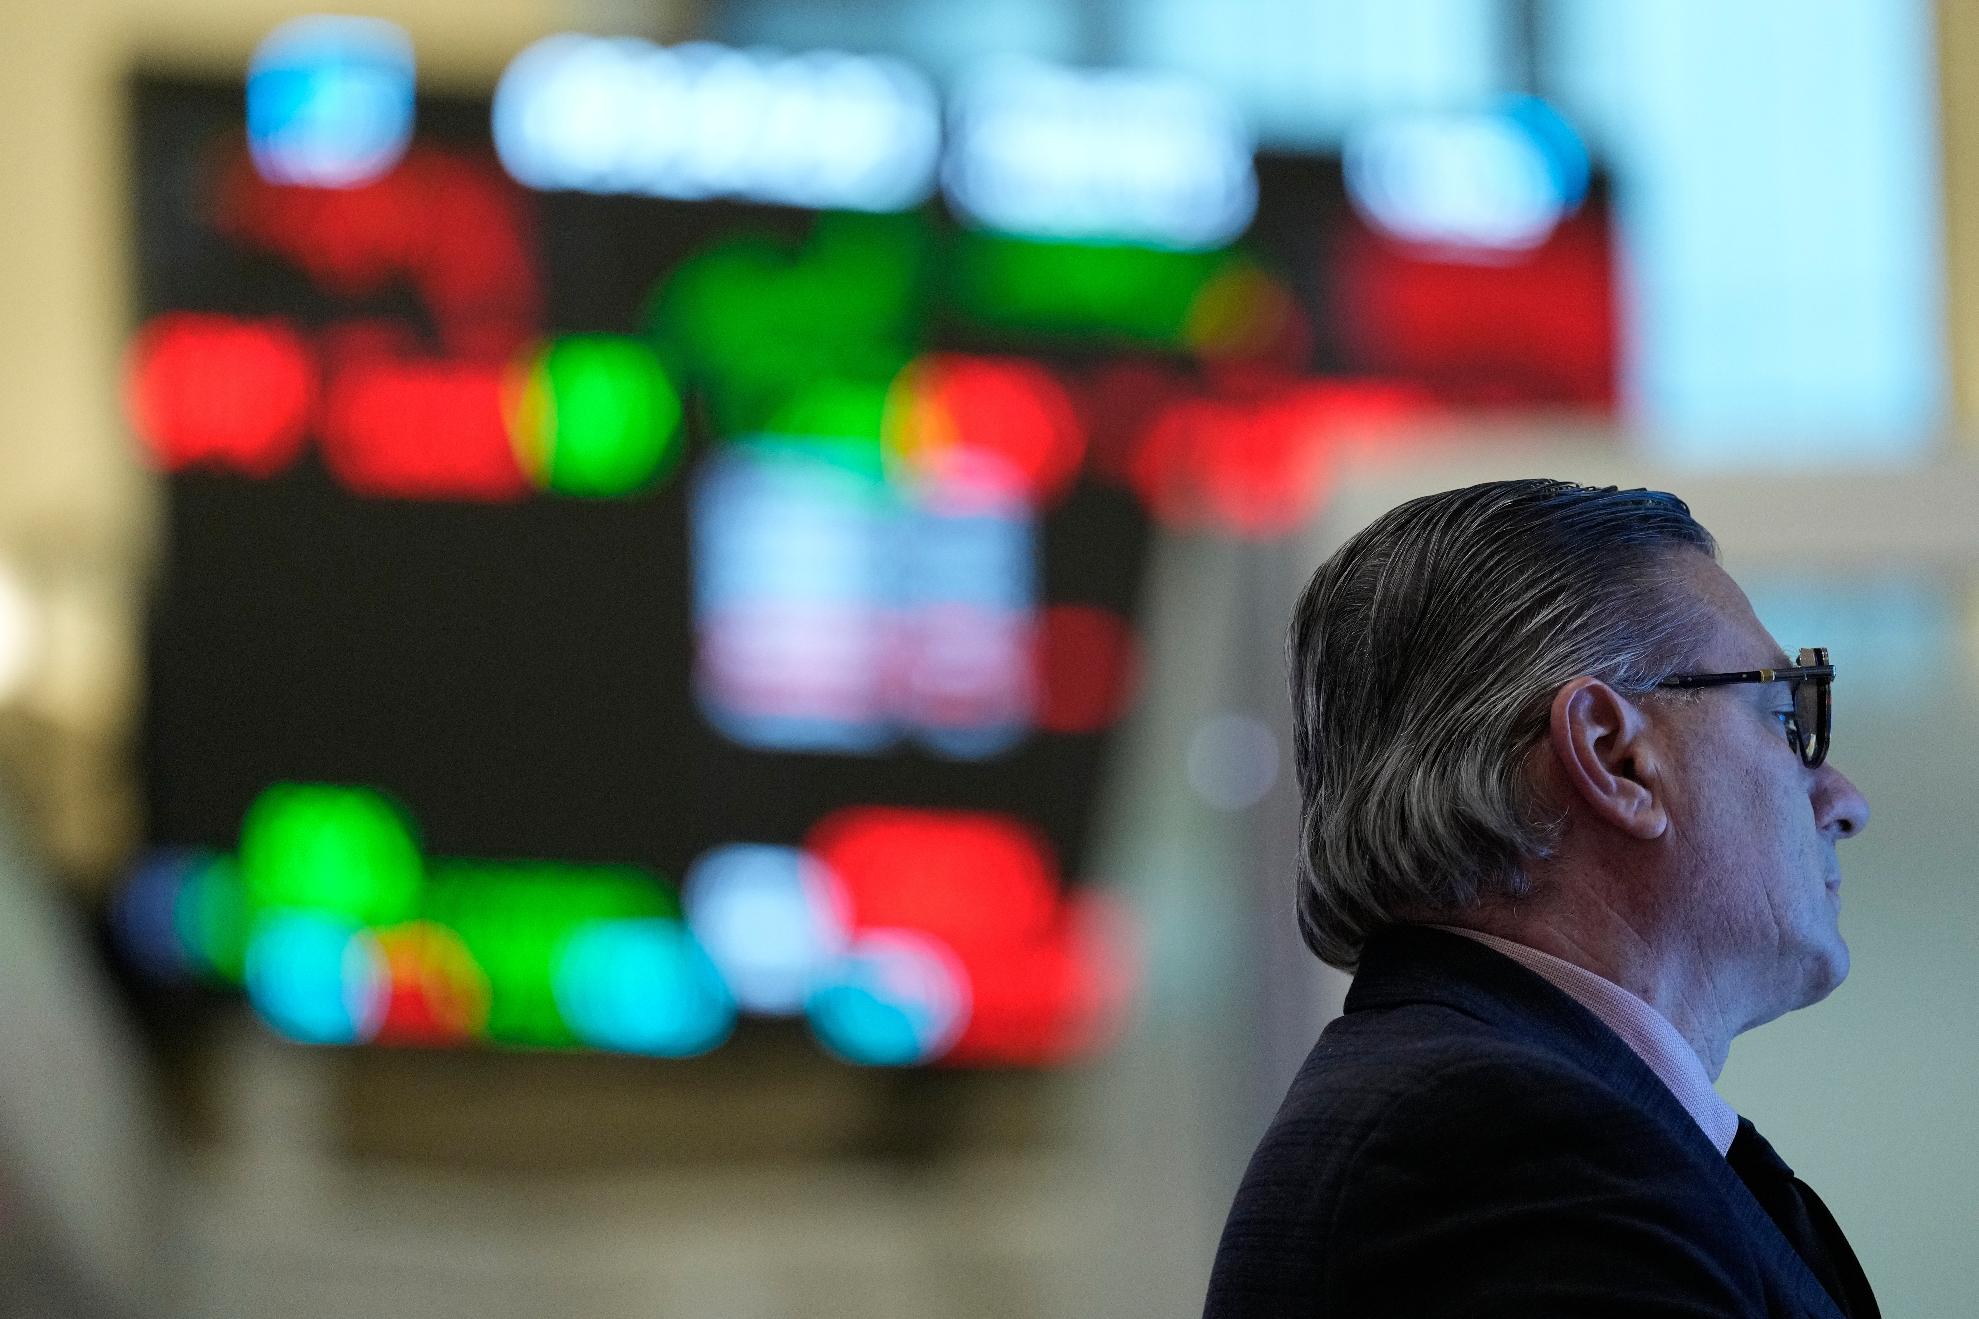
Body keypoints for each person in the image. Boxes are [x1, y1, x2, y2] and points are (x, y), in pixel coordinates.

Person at [1203, 480, 1879, 1318]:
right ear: (1613, 757)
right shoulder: (1499, 1143)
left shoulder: (1502, 1111)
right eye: (1784, 714)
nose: (1843, 799)